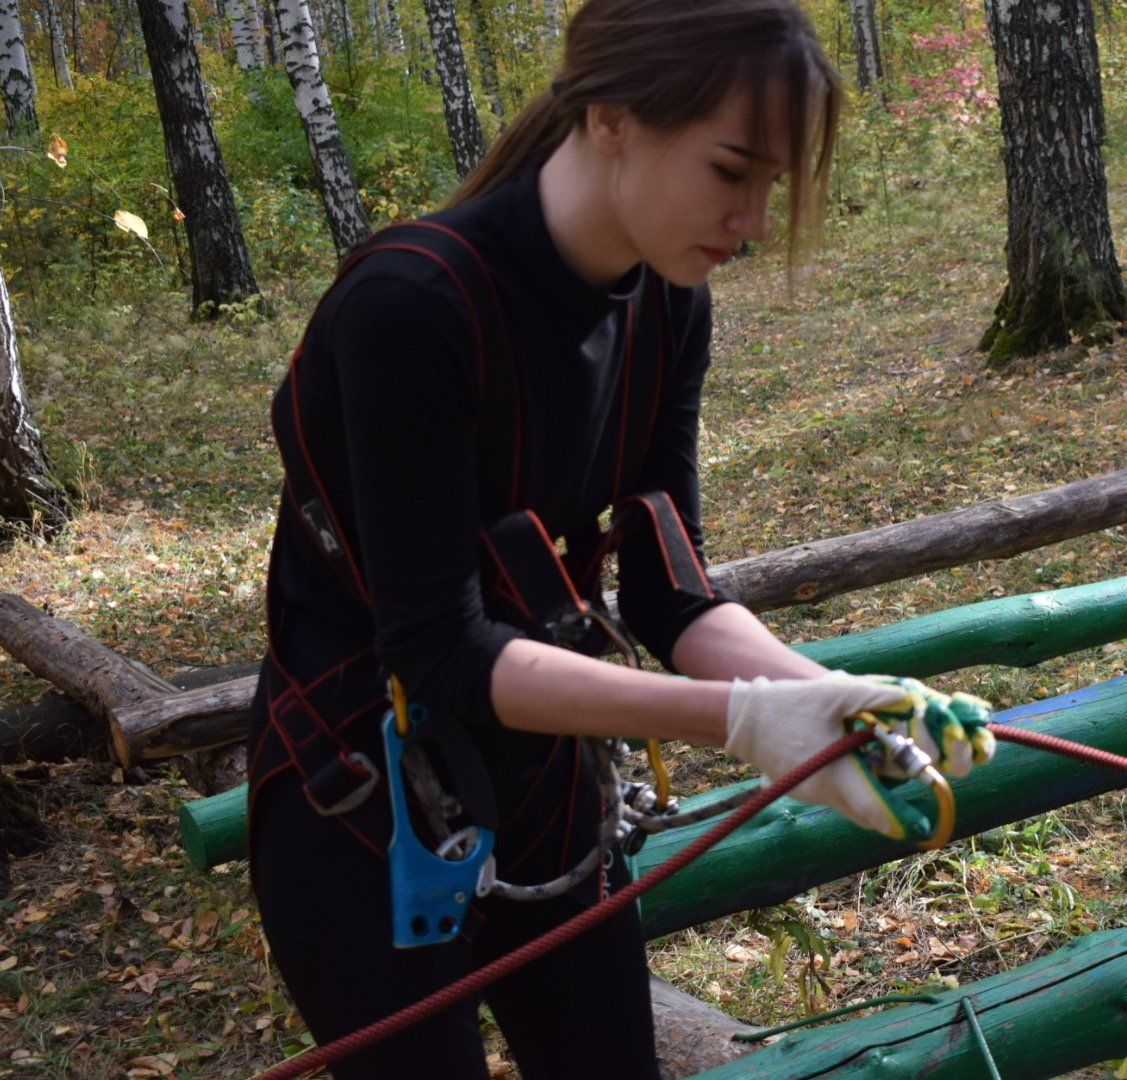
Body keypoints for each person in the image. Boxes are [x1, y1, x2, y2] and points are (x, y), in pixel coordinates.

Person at [247, 1, 994, 1076]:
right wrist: (742, 720)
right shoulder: (410, 305)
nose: (752, 218)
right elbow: (441, 649)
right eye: (733, 169)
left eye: (772, 184)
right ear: (611, 118)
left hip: (543, 783)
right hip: (358, 808)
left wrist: (830, 698)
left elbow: (669, 593)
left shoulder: (668, 303)